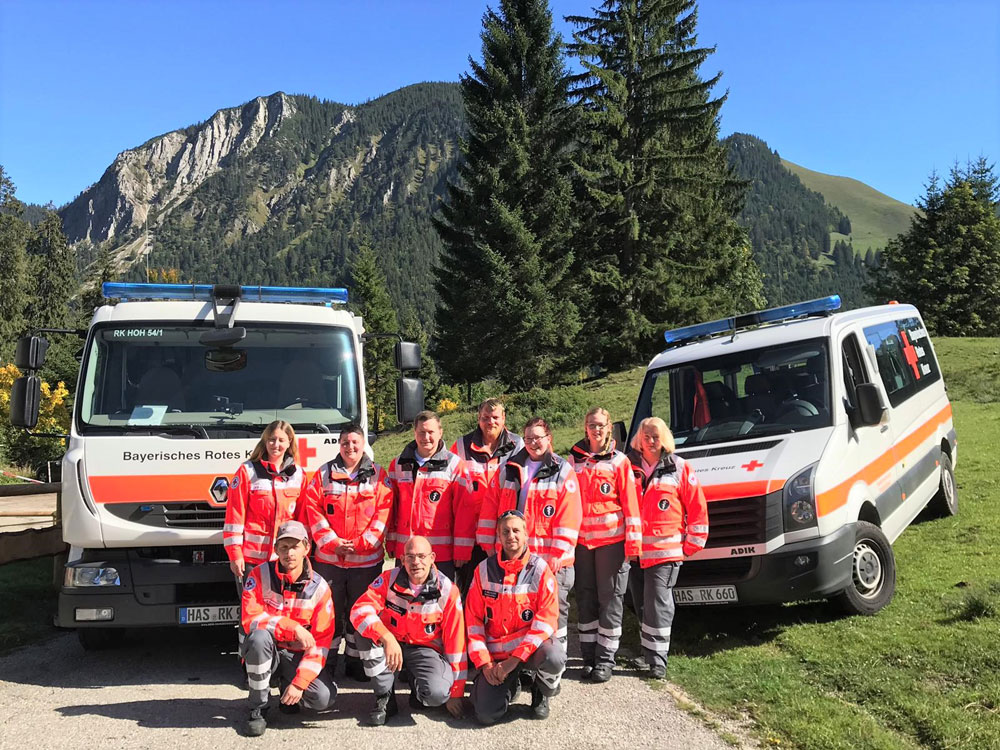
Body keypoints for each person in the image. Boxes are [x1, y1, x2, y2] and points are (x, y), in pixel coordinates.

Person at [477, 417, 581, 655]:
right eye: (529, 438)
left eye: (538, 438)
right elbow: (490, 506)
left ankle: (552, 667)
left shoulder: (563, 470)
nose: (533, 443)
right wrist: (487, 544)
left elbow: (570, 517)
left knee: (554, 613)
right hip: (516, 558)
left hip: (551, 561)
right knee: (519, 611)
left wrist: (557, 554)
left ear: (549, 439)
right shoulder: (509, 469)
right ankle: (524, 664)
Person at [299, 422, 392, 682]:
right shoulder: (323, 474)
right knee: (328, 613)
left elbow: (382, 515)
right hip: (329, 561)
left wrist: (361, 544)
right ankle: (326, 662)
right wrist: (333, 543)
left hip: (366, 562)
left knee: (359, 612)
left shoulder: (378, 475)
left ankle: (355, 661)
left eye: (355, 442)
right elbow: (314, 512)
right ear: (339, 445)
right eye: (345, 443)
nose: (350, 447)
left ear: (364, 445)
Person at [350, 535, 467, 726]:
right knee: (363, 634)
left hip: (425, 650)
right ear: (402, 560)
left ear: (432, 558)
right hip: (392, 644)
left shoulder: (447, 590)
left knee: (437, 695)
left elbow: (456, 643)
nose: (416, 562)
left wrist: (456, 692)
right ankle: (385, 697)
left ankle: (418, 688)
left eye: (422, 556)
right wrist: (385, 636)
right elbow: (359, 610)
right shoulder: (388, 580)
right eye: (410, 557)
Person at [626, 417, 708, 679]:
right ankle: (647, 652)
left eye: (656, 436)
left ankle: (657, 661)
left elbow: (697, 507)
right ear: (639, 438)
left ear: (665, 439)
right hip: (635, 552)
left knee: (657, 603)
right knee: (640, 604)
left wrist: (693, 542)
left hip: (665, 552)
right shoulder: (628, 467)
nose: (650, 441)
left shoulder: (680, 467)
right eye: (646, 436)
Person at [466, 510, 564, 724]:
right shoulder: (483, 570)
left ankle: (542, 690)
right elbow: (472, 623)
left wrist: (513, 662)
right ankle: (510, 685)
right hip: (497, 657)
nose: (511, 535)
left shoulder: (540, 570)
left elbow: (546, 621)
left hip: (530, 652)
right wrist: (485, 665)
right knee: (485, 714)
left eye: (516, 530)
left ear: (526, 534)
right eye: (505, 531)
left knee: (555, 657)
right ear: (499, 537)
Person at [240, 520, 336, 737]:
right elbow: (250, 619)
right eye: (283, 547)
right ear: (275, 549)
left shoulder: (319, 588)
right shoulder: (258, 575)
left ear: (306, 548)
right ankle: (258, 707)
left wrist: (300, 684)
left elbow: (320, 642)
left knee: (323, 698)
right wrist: (292, 627)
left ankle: (288, 689)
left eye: (295, 546)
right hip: (268, 652)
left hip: (297, 656)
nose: (289, 553)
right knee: (258, 638)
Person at [567, 407, 640, 682]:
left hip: (611, 542)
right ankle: (588, 656)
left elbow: (631, 506)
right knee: (585, 598)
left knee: (609, 600)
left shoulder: (619, 462)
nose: (595, 429)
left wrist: (633, 545)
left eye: (600, 425)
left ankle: (605, 659)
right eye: (591, 424)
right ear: (585, 427)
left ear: (609, 427)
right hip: (581, 543)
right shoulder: (573, 461)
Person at [451, 398, 524, 594]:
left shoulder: (517, 445)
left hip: (506, 534)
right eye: (485, 417)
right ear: (478, 418)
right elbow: (452, 493)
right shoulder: (461, 446)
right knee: (470, 591)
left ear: (504, 418)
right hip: (471, 536)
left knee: (503, 591)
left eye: (495, 417)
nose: (490, 422)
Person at [386, 410, 469, 580]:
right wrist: (392, 541)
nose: (426, 437)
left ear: (440, 432)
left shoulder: (454, 466)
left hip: (440, 553)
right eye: (421, 432)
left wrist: (462, 548)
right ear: (414, 433)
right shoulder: (398, 464)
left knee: (440, 602)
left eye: (431, 432)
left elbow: (464, 510)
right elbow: (392, 509)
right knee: (404, 600)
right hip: (407, 552)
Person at [224, 421, 306, 580]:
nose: (276, 444)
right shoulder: (247, 471)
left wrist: (302, 552)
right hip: (252, 560)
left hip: (286, 559)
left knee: (286, 605)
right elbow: (234, 517)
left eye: (281, 440)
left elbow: (303, 520)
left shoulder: (298, 474)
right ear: (265, 441)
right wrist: (235, 554)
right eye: (272, 439)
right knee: (253, 605)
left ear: (289, 442)